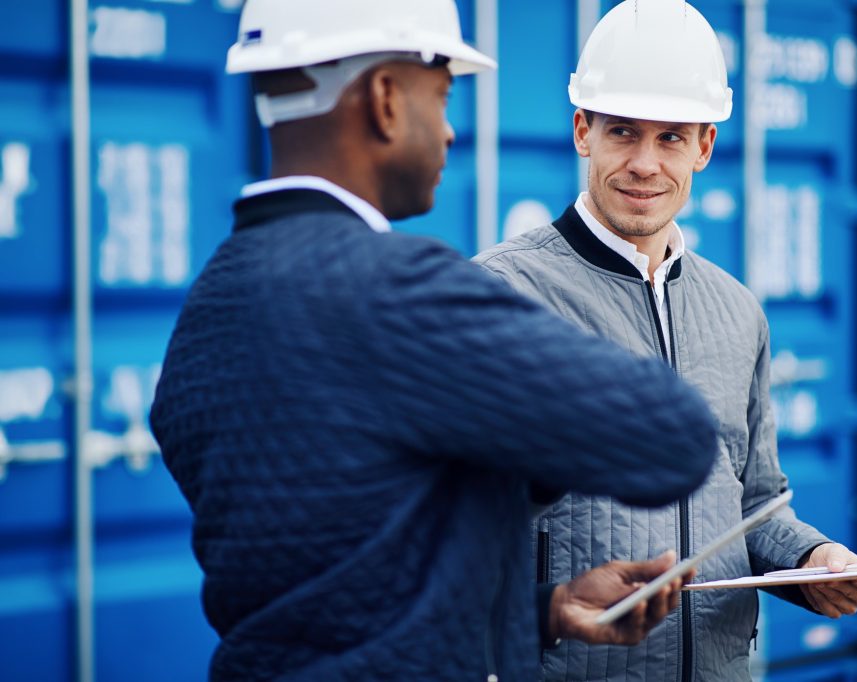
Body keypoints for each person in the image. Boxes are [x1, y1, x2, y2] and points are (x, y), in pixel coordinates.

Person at [149, 1, 721, 680]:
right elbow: (672, 436)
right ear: (387, 99)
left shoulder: (212, 306)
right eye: (443, 93)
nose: (450, 131)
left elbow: (341, 582)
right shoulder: (398, 290)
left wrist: (544, 607)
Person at [473, 1, 857, 680]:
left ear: (705, 146)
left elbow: (756, 502)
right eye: (623, 132)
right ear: (583, 131)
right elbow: (443, 527)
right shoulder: (497, 294)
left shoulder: (737, 310)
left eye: (670, 138)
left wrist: (809, 560)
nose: (643, 164)